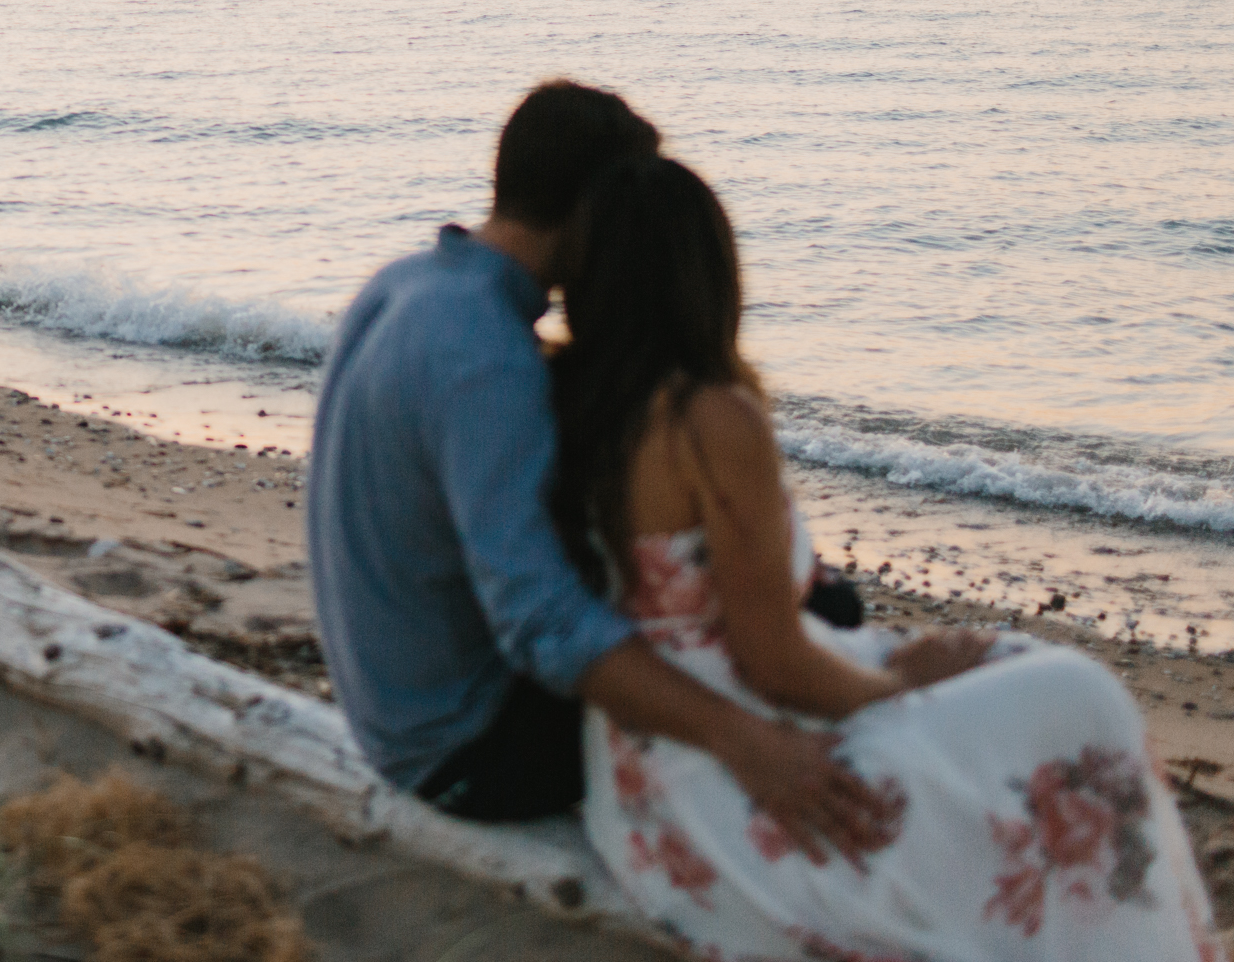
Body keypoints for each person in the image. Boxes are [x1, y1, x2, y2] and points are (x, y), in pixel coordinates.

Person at [552, 155, 1221, 959]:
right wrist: (900, 682)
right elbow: (771, 663)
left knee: (1011, 664)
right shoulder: (710, 419)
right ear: (707, 272)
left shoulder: (566, 399)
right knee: (1085, 699)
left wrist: (901, 666)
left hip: (641, 772)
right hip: (730, 779)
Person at [308, 80, 894, 861]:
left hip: (389, 709)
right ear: (592, 210)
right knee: (834, 621)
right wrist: (742, 739)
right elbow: (542, 625)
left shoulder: (406, 286)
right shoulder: (487, 358)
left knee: (816, 607)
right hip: (467, 750)